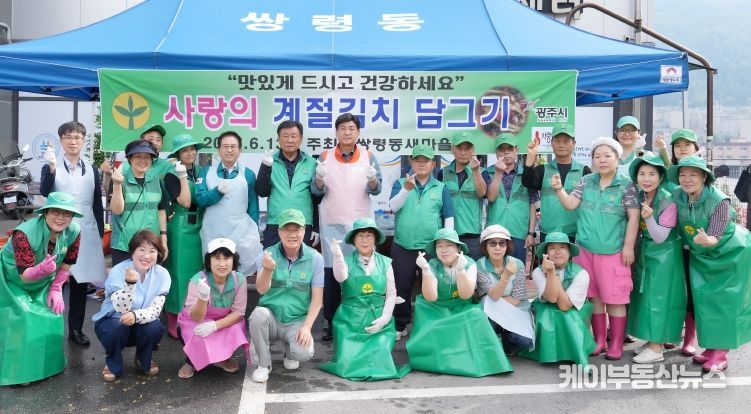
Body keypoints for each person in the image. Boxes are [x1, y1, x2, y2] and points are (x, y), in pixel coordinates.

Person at [552, 137, 640, 360]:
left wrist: (628, 247)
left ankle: (616, 343)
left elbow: (634, 217)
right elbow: (570, 204)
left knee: (615, 299)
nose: (602, 160)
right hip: (585, 250)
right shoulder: (586, 181)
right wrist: (559, 190)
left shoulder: (627, 185)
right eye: (597, 156)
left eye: (607, 156)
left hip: (613, 251)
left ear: (617, 159)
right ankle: (599, 340)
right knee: (595, 298)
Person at [668, 155, 751, 372]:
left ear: (704, 177)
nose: (687, 179)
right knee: (704, 302)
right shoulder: (677, 194)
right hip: (702, 255)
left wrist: (710, 239)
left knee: (724, 303)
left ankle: (720, 353)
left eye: (693, 175)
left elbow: (715, 233)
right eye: (683, 175)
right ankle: (711, 348)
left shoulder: (719, 200)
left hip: (731, 254)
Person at [312, 113, 383, 341]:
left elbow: (377, 189)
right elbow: (315, 190)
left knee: (360, 271)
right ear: (336, 132)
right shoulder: (325, 156)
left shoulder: (368, 156)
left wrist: (372, 179)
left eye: (351, 128)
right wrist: (319, 179)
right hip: (332, 222)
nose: (347, 132)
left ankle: (359, 318)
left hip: (360, 226)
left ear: (358, 132)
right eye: (342, 128)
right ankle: (331, 321)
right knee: (333, 272)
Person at [0, 192, 82, 386]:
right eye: (55, 212)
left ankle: (47, 367)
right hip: (11, 280)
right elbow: (23, 275)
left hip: (44, 281)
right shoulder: (24, 234)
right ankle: (19, 373)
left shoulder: (74, 231)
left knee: (52, 315)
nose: (61, 218)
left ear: (72, 217)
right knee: (23, 317)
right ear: (45, 213)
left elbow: (68, 262)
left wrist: (56, 288)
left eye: (67, 213)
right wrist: (39, 270)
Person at [406, 228, 512, 376]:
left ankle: (482, 360)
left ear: (458, 248)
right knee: (433, 326)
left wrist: (461, 271)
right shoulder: (432, 264)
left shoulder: (469, 263)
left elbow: (466, 295)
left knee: (477, 315)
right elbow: (431, 297)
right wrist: (426, 270)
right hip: (435, 307)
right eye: (439, 246)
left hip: (462, 305)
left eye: (449, 245)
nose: (444, 250)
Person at [319, 218, 410, 381]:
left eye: (369, 235)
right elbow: (340, 277)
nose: (364, 240)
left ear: (375, 239)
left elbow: (391, 293)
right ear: (354, 240)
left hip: (377, 317)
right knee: (349, 365)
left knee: (380, 363)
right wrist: (338, 257)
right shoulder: (346, 261)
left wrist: (385, 319)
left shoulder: (385, 262)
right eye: (360, 236)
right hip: (349, 320)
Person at [39, 121, 105, 347]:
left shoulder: (92, 169)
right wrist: (51, 167)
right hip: (57, 230)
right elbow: (44, 191)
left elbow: (97, 203)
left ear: (83, 141)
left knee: (79, 282)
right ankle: (48, 327)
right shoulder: (52, 166)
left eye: (77, 137)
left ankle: (75, 329)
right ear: (61, 141)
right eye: (68, 137)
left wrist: (100, 231)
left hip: (85, 230)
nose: (73, 141)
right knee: (50, 279)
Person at [248, 209, 324, 383]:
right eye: (287, 230)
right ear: (279, 232)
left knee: (303, 354)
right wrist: (268, 269)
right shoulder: (266, 254)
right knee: (257, 315)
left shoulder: (316, 258)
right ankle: (264, 364)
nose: (292, 234)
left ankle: (289, 351)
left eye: (296, 229)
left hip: (296, 320)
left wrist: (306, 327)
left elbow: (317, 299)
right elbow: (261, 289)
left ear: (304, 231)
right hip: (271, 318)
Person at [389, 144, 454, 340]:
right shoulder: (401, 183)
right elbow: (393, 207)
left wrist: (449, 245)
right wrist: (406, 190)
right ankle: (400, 325)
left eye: (426, 160)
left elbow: (448, 217)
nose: (421, 164)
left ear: (433, 164)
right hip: (403, 245)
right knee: (401, 287)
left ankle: (431, 323)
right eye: (417, 160)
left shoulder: (441, 187)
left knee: (432, 287)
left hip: (430, 248)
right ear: (411, 162)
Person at [626, 154, 686, 364]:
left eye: (652, 174)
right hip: (648, 252)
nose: (646, 178)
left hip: (665, 255)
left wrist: (649, 217)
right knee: (645, 297)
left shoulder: (668, 200)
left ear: (661, 178)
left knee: (659, 299)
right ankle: (651, 340)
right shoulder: (642, 196)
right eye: (642, 173)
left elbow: (660, 236)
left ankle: (656, 347)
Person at [92, 229, 170, 381]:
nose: (146, 256)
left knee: (154, 327)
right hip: (114, 322)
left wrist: (135, 316)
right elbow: (121, 308)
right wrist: (129, 284)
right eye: (141, 250)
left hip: (140, 322)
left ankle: (143, 358)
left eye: (152, 251)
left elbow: (156, 310)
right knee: (116, 328)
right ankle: (112, 362)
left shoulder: (162, 274)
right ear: (133, 251)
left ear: (158, 254)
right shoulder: (118, 271)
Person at [654, 128, 701, 355]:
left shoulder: (702, 174)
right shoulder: (671, 174)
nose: (682, 149)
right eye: (678, 146)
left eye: (687, 145)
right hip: (672, 242)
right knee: (673, 290)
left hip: (697, 245)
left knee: (692, 292)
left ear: (696, 148)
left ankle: (690, 338)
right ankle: (672, 332)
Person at [177, 238, 248, 379]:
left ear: (234, 260)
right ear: (209, 261)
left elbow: (238, 313)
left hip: (224, 321)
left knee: (236, 328)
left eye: (226, 258)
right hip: (197, 320)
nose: (222, 264)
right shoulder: (197, 280)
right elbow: (196, 317)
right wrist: (203, 298)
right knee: (197, 332)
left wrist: (214, 326)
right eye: (217, 258)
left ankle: (222, 359)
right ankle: (191, 361)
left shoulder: (240, 280)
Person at [520, 232, 595, 367]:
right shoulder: (538, 271)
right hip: (547, 305)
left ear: (569, 252)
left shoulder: (581, 274)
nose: (557, 252)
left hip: (573, 307)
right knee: (547, 314)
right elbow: (551, 298)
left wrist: (552, 274)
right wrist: (551, 273)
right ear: (546, 253)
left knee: (568, 316)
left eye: (562, 247)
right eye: (552, 248)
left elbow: (565, 306)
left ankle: (571, 351)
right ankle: (549, 352)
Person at [196, 131, 261, 276]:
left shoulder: (248, 174)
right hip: (213, 229)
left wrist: (254, 229)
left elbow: (253, 206)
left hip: (240, 231)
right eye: (225, 146)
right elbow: (200, 199)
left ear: (240, 149)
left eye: (233, 146)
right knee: (214, 270)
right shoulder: (207, 172)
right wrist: (217, 192)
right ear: (218, 149)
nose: (229, 150)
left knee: (239, 271)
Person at [162, 134, 206, 339]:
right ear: (178, 153)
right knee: (177, 273)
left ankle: (193, 315)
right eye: (185, 150)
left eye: (192, 149)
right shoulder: (172, 174)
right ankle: (174, 319)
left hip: (200, 225)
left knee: (196, 275)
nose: (190, 153)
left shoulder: (199, 171)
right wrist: (181, 175)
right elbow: (185, 202)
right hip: (180, 227)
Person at [255, 120, 319, 248]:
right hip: (276, 223)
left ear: (301, 139)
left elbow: (316, 198)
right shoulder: (270, 160)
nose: (290, 140)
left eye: (294, 136)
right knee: (272, 259)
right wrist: (265, 167)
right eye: (285, 136)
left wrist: (316, 227)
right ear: (278, 139)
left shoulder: (311, 162)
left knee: (302, 259)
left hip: (302, 223)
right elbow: (261, 192)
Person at [522, 124, 591, 241]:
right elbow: (527, 182)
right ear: (551, 143)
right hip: (548, 233)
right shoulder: (542, 170)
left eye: (566, 141)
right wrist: (530, 157)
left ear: (574, 143)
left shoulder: (584, 170)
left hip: (575, 234)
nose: (561, 145)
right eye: (557, 141)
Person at [474, 224, 534, 355]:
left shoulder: (518, 264)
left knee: (524, 341)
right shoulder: (479, 266)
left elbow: (517, 300)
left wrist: (492, 298)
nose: (497, 248)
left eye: (502, 243)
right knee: (488, 321)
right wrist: (506, 276)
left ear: (507, 246)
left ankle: (506, 341)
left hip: (515, 310)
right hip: (490, 313)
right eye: (492, 243)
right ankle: (494, 339)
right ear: (485, 246)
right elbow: (494, 295)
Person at [109, 139, 169, 266]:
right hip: (125, 245)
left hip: (152, 246)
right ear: (130, 159)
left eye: (147, 157)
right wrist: (117, 185)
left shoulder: (158, 182)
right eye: (138, 156)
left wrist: (163, 239)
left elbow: (161, 211)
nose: (143, 160)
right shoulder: (118, 179)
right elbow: (117, 210)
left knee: (151, 278)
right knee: (125, 278)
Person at [487, 133, 538, 263]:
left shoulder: (526, 173)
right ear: (496, 152)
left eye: (510, 149)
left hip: (519, 232)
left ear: (517, 150)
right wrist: (498, 172)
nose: (506, 153)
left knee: (517, 270)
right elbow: (490, 198)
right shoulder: (488, 172)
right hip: (495, 232)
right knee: (494, 270)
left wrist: (531, 233)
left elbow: (532, 203)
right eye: (502, 149)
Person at [437, 132, 490, 259]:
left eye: (467, 149)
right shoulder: (443, 173)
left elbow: (482, 193)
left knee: (473, 270)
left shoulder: (482, 172)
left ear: (473, 150)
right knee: (449, 270)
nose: (463, 153)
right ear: (452, 149)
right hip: (449, 235)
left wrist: (475, 171)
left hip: (473, 236)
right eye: (459, 148)